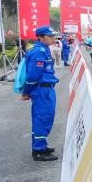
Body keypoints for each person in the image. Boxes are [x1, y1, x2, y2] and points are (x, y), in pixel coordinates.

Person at [22, 26, 60, 162]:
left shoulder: (44, 50)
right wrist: (26, 92)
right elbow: (32, 76)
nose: (53, 38)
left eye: (53, 36)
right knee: (42, 118)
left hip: (47, 88)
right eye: (50, 36)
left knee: (46, 117)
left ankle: (40, 146)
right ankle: (39, 151)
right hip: (41, 90)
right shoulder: (38, 52)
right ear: (41, 37)